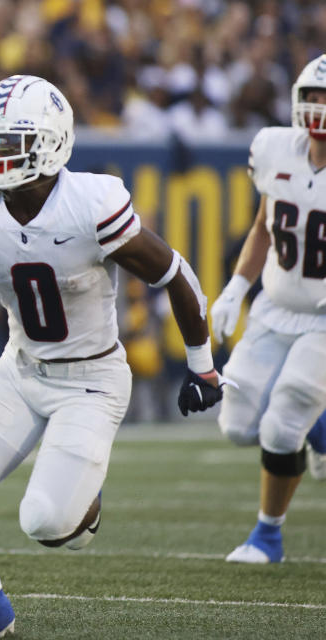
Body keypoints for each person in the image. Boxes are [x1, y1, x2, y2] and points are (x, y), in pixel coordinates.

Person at [0, 75, 223, 639]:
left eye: (12, 141)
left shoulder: (92, 202)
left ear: (53, 142)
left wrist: (202, 362)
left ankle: (83, 499)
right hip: (19, 367)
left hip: (91, 379)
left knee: (49, 524)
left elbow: (174, 273)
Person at [210, 54, 326, 564]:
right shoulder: (274, 147)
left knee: (282, 425)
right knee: (236, 424)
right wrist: (236, 288)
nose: (318, 108)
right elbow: (263, 225)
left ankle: (267, 535)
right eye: (312, 97)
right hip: (275, 306)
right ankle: (320, 427)